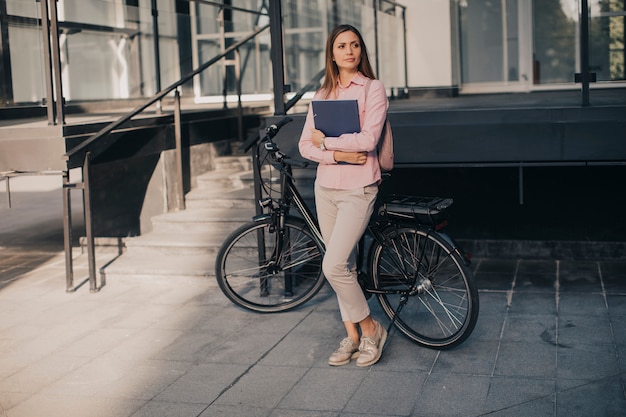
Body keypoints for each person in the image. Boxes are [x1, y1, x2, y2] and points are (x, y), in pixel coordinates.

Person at [298, 24, 389, 367]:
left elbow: (368, 141)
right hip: (326, 188)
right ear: (332, 53)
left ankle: (371, 329)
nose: (349, 51)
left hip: (358, 188)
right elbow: (305, 145)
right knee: (344, 265)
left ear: (361, 51)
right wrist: (336, 154)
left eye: (354, 45)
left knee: (333, 265)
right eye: (341, 46)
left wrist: (328, 142)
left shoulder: (372, 89)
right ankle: (352, 336)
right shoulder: (321, 96)